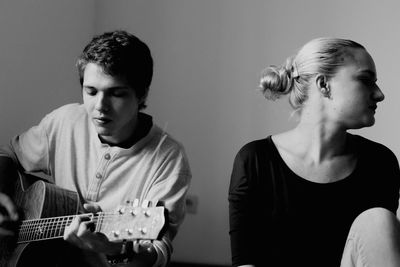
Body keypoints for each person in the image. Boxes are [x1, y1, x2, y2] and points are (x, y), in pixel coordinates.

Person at [0, 30, 191, 267]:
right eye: (91, 91)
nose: (100, 106)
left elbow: (157, 253)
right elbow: (8, 153)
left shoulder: (169, 158)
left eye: (116, 94)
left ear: (141, 94)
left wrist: (113, 248)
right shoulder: (65, 120)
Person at [228, 37, 400, 267]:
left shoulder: (380, 163)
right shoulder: (255, 161)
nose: (379, 94)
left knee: (378, 221)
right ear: (323, 85)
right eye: (366, 80)